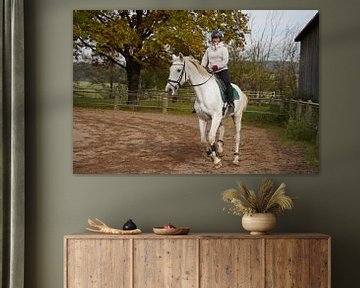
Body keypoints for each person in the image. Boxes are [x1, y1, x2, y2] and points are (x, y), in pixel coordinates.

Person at [201, 30, 234, 113]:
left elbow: (225, 60)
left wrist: (217, 67)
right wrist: (202, 66)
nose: (215, 39)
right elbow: (205, 59)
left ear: (220, 39)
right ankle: (200, 105)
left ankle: (230, 103)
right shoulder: (209, 49)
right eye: (213, 38)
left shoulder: (223, 49)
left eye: (216, 38)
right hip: (212, 71)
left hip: (222, 70)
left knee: (227, 85)